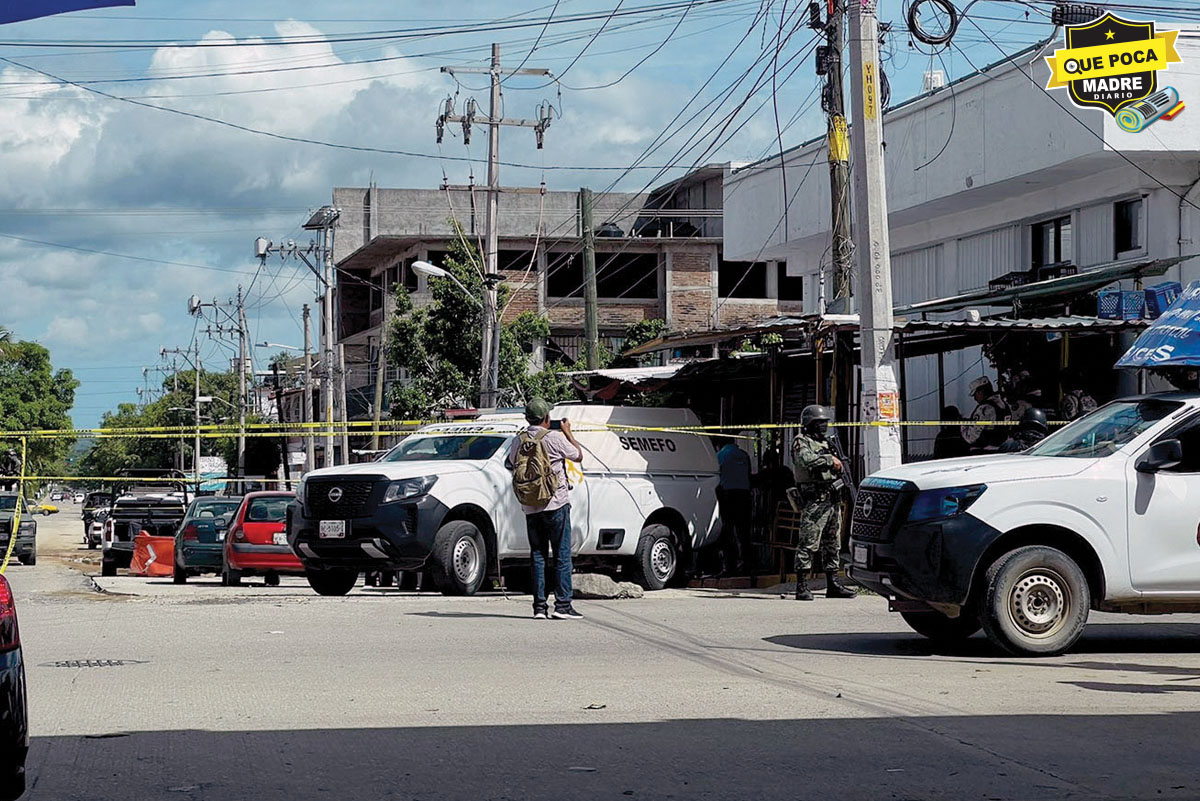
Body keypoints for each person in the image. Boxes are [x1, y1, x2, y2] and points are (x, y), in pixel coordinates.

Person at [505, 398, 584, 620]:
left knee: (538, 555)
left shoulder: (518, 440)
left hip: (530, 506)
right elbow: (578, 456)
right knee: (561, 554)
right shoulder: (554, 438)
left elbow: (511, 463)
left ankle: (539, 607)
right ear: (546, 418)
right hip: (556, 502)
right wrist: (568, 432)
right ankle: (563, 605)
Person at [790, 405, 856, 601]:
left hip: (832, 499)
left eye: (825, 423)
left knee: (832, 544)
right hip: (815, 501)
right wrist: (830, 460)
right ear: (810, 424)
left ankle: (833, 584)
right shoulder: (801, 441)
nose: (824, 427)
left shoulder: (826, 442)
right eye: (820, 423)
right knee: (808, 543)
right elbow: (805, 460)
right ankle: (802, 586)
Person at [715, 437, 752, 574]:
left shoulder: (719, 456)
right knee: (744, 532)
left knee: (728, 530)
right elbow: (748, 474)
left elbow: (715, 476)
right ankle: (747, 564)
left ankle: (730, 564)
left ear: (719, 445)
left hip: (727, 495)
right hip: (744, 495)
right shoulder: (744, 455)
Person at [963, 377, 1011, 452]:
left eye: (975, 394)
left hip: (985, 452)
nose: (975, 399)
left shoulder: (984, 409)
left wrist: (962, 426)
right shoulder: (1004, 405)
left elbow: (971, 438)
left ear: (981, 392)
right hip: (1004, 449)